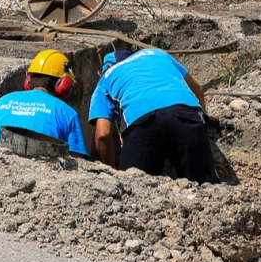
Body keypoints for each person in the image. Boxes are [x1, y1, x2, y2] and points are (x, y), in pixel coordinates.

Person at [88, 46, 218, 183]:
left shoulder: (106, 78)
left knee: (135, 190)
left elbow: (103, 135)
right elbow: (198, 89)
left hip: (142, 122)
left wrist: (113, 176)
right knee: (205, 187)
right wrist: (202, 130)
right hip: (186, 112)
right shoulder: (157, 54)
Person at [0, 50, 88, 157]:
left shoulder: (0, 102)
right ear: (63, 85)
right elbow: (78, 162)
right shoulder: (68, 114)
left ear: (29, 79)